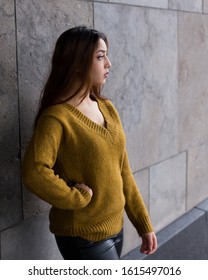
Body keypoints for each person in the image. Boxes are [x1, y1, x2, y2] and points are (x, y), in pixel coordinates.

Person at [22, 26, 157, 260]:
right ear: (77, 62)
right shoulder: (57, 118)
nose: (109, 64)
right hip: (83, 236)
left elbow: (123, 170)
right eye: (100, 56)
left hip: (115, 229)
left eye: (106, 55)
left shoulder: (107, 108)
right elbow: (34, 172)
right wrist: (75, 197)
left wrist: (143, 223)